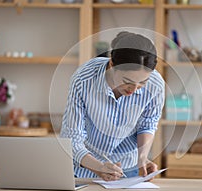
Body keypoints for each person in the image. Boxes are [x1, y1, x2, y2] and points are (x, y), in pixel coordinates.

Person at [60, 31, 165, 181]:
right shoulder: (83, 79)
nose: (134, 89)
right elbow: (72, 138)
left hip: (128, 169)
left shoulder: (155, 84)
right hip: (84, 170)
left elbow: (148, 124)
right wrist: (98, 167)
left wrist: (142, 158)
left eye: (142, 83)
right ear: (111, 64)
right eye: (127, 81)